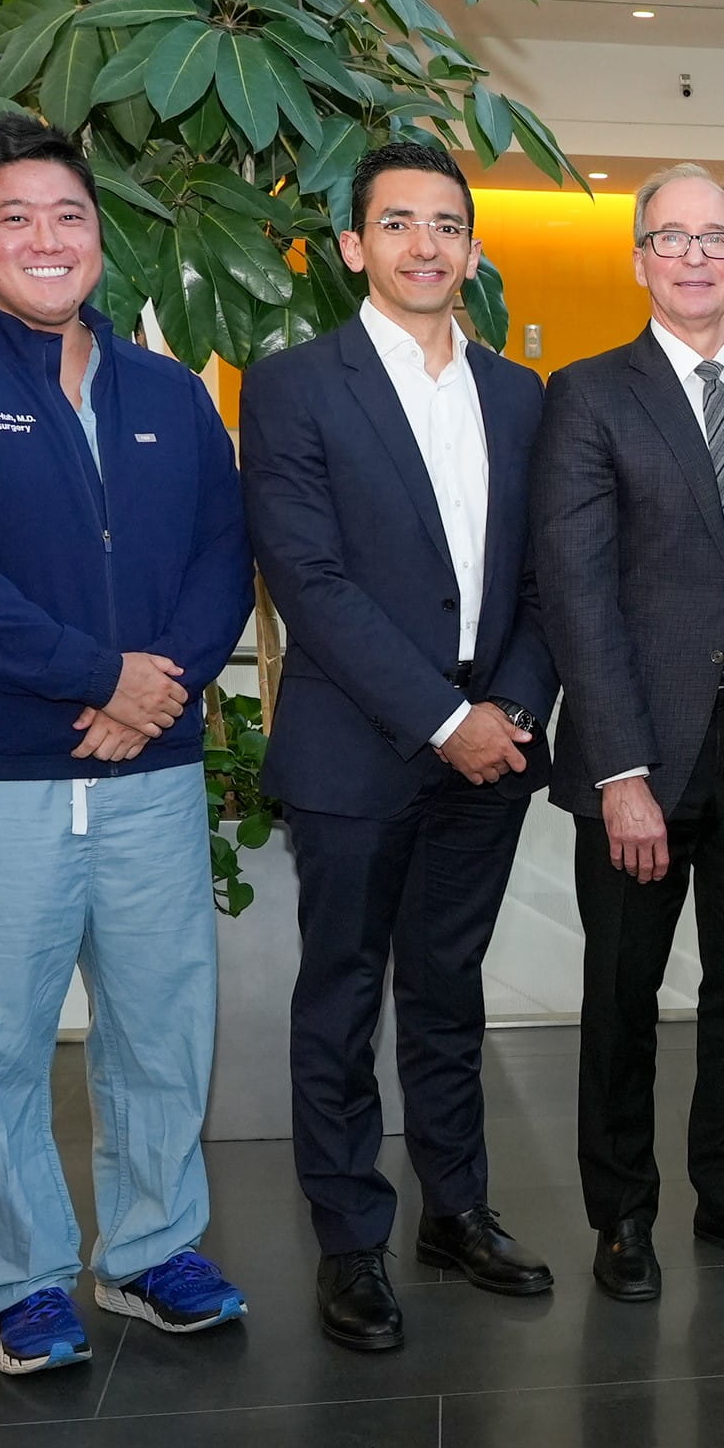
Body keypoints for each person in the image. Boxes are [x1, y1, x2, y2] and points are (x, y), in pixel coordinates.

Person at [0, 115, 253, 1375]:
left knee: (161, 1024)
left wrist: (157, 688)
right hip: (0, 769)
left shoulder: (170, 393)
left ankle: (152, 1247)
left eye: (69, 215)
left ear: (99, 235)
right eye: (16, 218)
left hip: (154, 768)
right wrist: (100, 676)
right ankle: (22, 1276)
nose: (47, 238)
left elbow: (222, 558)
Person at [240, 141, 559, 1348]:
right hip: (360, 744)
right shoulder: (293, 387)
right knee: (340, 995)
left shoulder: (522, 395)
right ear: (352, 246)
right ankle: (349, 1239)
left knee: (447, 988)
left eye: (447, 225)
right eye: (398, 222)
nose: (426, 244)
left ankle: (456, 1207)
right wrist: (442, 718)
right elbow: (309, 580)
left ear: (473, 250)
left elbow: (545, 577)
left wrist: (507, 710)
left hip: (494, 743)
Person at [530, 165, 724, 1302]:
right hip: (640, 754)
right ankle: (621, 1214)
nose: (695, 257)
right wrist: (620, 770)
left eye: (716, 239)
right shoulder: (587, 395)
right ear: (639, 259)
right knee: (622, 993)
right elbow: (576, 592)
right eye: (672, 237)